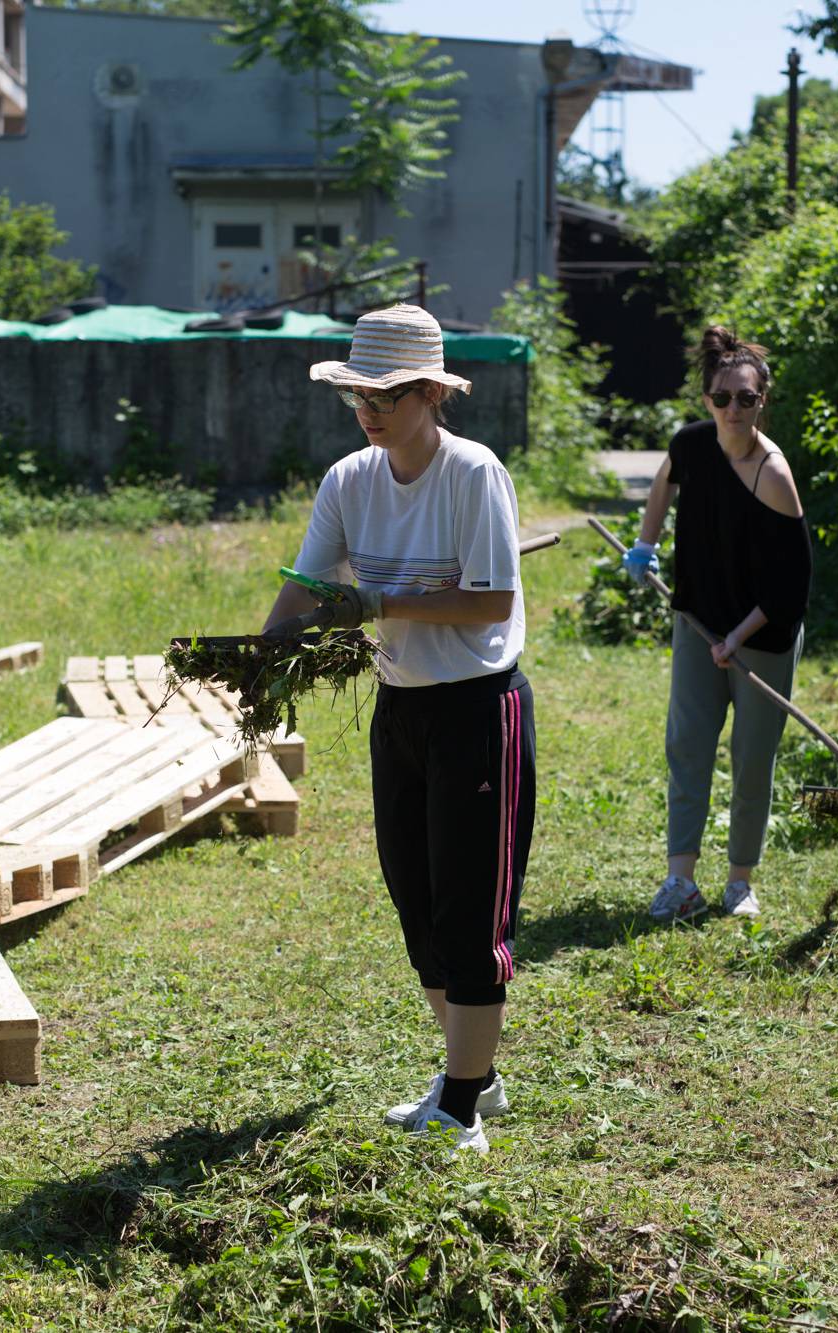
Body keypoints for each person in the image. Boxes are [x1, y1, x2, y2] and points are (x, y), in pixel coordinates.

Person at [261, 303, 533, 1156]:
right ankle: (470, 1077)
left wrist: (381, 600)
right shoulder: (350, 480)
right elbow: (306, 587)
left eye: (384, 393)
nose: (368, 411)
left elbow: (492, 599)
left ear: (428, 392)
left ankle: (461, 1104)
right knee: (415, 900)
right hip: (401, 708)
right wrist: (257, 660)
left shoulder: (472, 473)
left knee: (469, 910)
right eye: (357, 396)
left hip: (478, 708)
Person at [625, 326, 811, 924]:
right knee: (687, 745)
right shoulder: (692, 444)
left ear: (763, 401)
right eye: (723, 398)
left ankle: (739, 883)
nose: (734, 409)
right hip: (697, 620)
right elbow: (662, 482)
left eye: (747, 398)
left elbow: (790, 588)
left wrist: (738, 638)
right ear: (707, 400)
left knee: (752, 758)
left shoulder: (773, 474)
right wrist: (644, 543)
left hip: (765, 634)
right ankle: (680, 881)